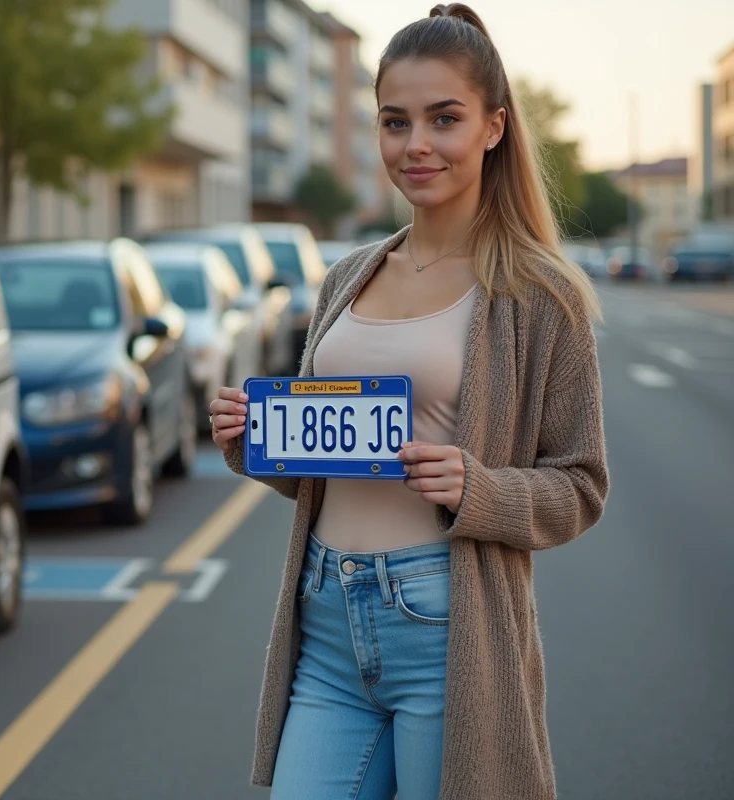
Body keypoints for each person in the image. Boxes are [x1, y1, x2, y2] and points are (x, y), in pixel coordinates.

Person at [208, 5, 609, 800]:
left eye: (444, 119)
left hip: (445, 627)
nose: (416, 144)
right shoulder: (347, 275)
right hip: (324, 618)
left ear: (493, 128)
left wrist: (479, 489)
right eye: (396, 121)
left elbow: (581, 486)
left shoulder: (541, 295)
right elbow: (328, 460)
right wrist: (256, 442)